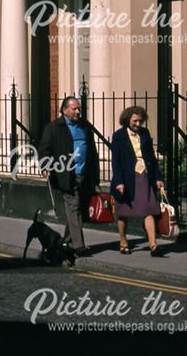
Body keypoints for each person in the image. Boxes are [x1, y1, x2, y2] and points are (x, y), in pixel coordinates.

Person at [39, 97, 99, 256]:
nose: (78, 111)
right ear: (64, 110)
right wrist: (45, 166)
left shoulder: (85, 126)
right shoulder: (53, 128)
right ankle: (79, 246)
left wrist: (95, 176)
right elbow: (45, 149)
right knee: (74, 207)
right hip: (66, 175)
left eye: (79, 108)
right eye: (74, 109)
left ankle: (65, 241)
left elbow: (92, 151)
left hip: (84, 175)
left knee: (76, 208)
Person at [110, 106, 166, 257]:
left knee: (149, 210)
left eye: (140, 121)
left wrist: (158, 178)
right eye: (135, 121)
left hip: (144, 176)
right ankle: (123, 242)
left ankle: (153, 246)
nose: (138, 124)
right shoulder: (118, 136)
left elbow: (152, 159)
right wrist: (119, 182)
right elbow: (115, 161)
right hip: (126, 178)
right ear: (127, 119)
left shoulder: (145, 134)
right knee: (123, 213)